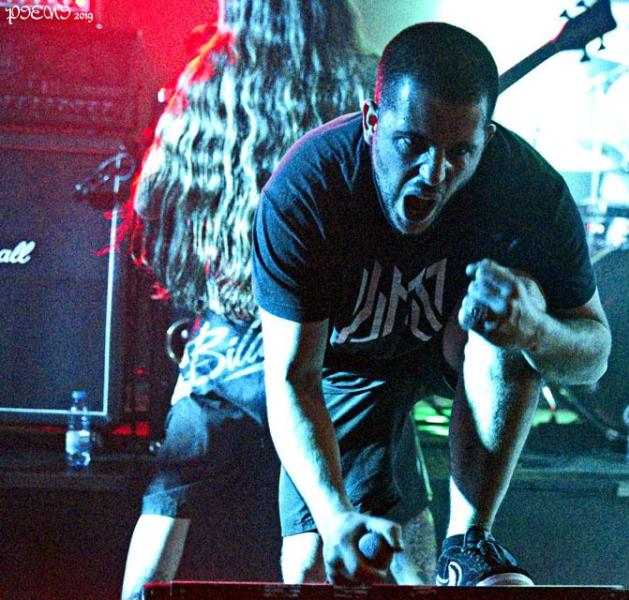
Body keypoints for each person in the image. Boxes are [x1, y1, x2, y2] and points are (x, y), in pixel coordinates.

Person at [252, 22, 611, 586]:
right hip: (348, 370)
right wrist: (334, 517)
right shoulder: (309, 189)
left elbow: (593, 357)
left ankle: (469, 542)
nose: (433, 174)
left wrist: (536, 331)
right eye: (412, 144)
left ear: (487, 138)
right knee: (316, 564)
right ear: (372, 122)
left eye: (459, 152)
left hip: (457, 352)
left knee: (523, 300)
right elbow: (294, 377)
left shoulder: (527, 190)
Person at [119, 2, 437, 598]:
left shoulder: (209, 79)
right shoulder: (364, 83)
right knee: (391, 508)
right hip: (331, 341)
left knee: (165, 506)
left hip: (228, 342)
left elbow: (148, 204)